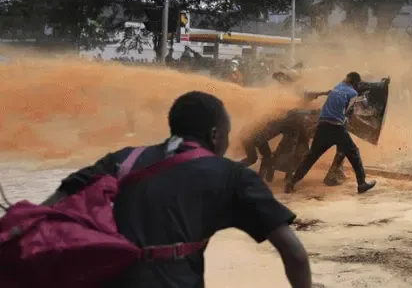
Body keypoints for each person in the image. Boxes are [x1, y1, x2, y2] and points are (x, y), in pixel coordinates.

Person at [39, 91, 311, 288]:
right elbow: (295, 253)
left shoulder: (123, 159)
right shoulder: (232, 176)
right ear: (215, 135)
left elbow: (47, 211)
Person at [285, 72, 377, 194]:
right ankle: (361, 184)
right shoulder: (353, 93)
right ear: (355, 83)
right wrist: (363, 99)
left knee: (311, 157)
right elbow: (352, 110)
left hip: (322, 126)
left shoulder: (337, 86)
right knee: (354, 152)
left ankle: (291, 183)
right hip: (336, 128)